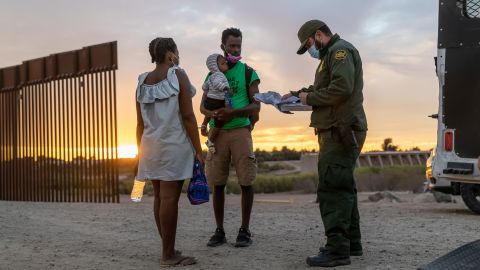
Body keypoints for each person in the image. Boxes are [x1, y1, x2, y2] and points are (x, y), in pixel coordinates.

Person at [283, 20, 368, 267]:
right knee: (343, 185)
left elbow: (341, 88)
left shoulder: (340, 51)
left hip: (339, 130)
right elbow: (326, 86)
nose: (310, 49)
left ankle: (337, 250)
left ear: (318, 35)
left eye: (309, 44)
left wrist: (309, 98)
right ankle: (351, 244)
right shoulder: (330, 55)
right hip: (337, 128)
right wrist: (299, 93)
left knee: (332, 188)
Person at [135, 37, 204, 267]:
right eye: (176, 51)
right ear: (170, 54)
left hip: (149, 148)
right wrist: (199, 149)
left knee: (159, 198)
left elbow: (139, 124)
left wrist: (139, 153)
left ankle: (168, 247)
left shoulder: (142, 81)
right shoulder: (178, 75)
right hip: (173, 146)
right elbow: (188, 116)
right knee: (169, 199)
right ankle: (168, 255)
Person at [200, 27, 261, 248]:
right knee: (217, 183)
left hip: (240, 132)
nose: (235, 49)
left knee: (246, 181)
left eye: (238, 46)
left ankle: (245, 231)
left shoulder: (248, 72)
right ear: (222, 47)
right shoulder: (212, 74)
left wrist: (232, 113)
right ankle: (219, 231)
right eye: (232, 46)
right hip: (218, 134)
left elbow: (256, 104)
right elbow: (202, 105)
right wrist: (210, 117)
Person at [200, 53, 232, 153]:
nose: (226, 63)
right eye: (223, 63)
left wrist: (206, 90)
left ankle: (205, 126)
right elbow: (218, 84)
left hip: (209, 101)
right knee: (219, 123)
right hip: (217, 102)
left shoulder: (211, 76)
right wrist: (226, 88)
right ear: (215, 67)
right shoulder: (219, 75)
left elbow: (204, 86)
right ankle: (210, 141)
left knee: (209, 112)